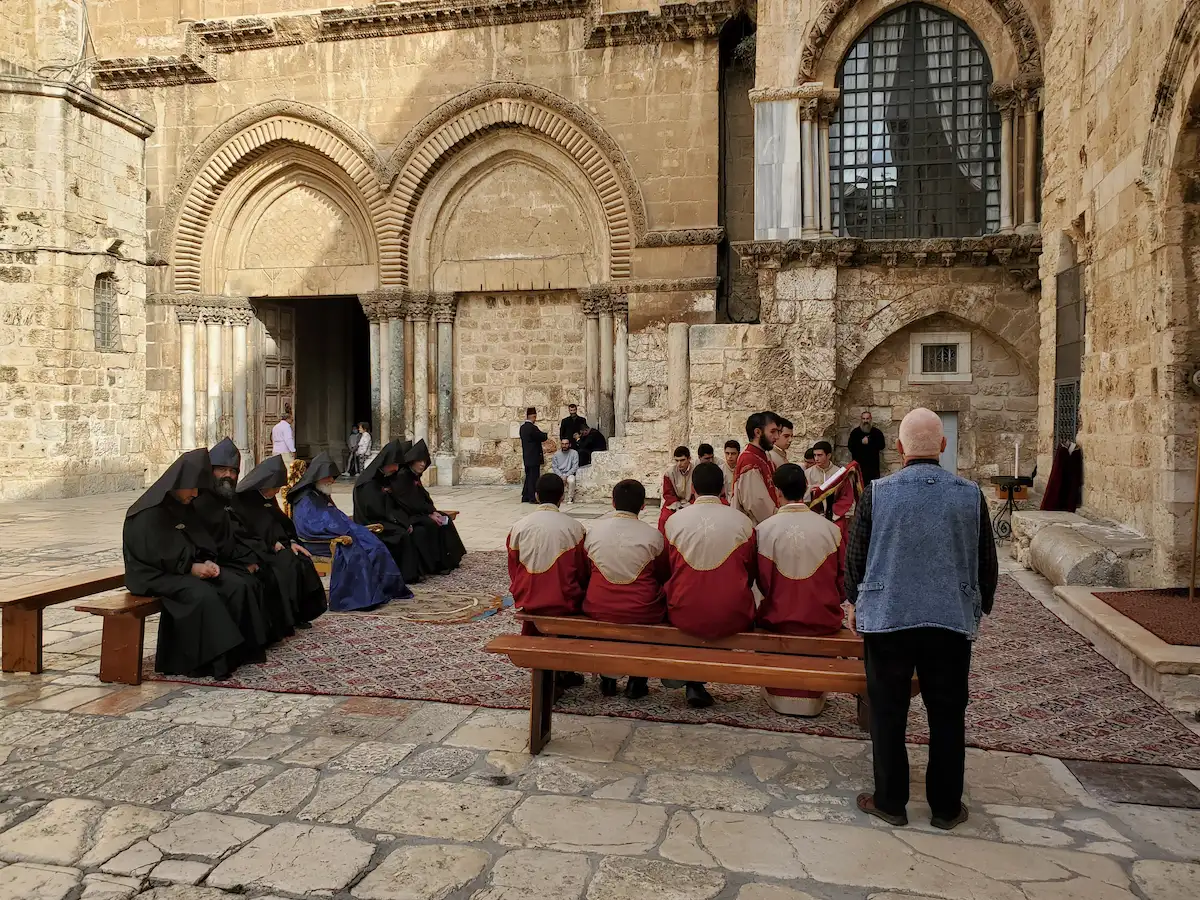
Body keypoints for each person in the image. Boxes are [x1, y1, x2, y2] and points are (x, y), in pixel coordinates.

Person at [847, 408, 997, 832]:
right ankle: (946, 807)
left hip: (888, 616)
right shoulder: (970, 494)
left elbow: (856, 555)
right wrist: (980, 605)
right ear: (943, 446)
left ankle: (891, 801)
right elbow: (987, 559)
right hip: (949, 619)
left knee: (889, 711)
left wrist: (854, 600)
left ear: (898, 447)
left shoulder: (877, 492)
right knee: (948, 713)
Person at [122, 448, 270, 679]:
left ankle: (239, 652)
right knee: (202, 594)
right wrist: (190, 568)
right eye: (192, 487)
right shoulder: (148, 513)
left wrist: (206, 561)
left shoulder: (185, 506)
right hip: (153, 574)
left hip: (183, 569)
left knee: (235, 584)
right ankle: (207, 662)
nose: (195, 493)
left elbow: (200, 539)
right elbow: (154, 554)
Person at [664, 462, 758, 708]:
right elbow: (750, 573)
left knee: (684, 599)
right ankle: (696, 680)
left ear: (693, 488)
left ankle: (691, 678)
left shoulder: (673, 522)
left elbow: (666, 570)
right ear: (723, 488)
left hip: (683, 611)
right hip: (733, 613)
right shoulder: (743, 523)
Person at [755, 463, 845, 717]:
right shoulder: (832, 531)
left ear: (777, 492)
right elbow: (841, 583)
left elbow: (761, 583)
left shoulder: (763, 531)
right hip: (821, 621)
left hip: (778, 620)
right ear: (806, 488)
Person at [200, 438, 303, 640]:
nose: (228, 475)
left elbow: (246, 530)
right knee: (248, 583)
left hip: (239, 555)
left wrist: (257, 554)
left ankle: (271, 633)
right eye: (222, 470)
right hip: (219, 560)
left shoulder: (233, 498)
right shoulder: (202, 501)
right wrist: (245, 561)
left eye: (233, 471)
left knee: (270, 571)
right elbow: (211, 540)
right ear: (210, 470)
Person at [288, 452, 412, 611]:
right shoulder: (304, 497)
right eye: (329, 477)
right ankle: (358, 599)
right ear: (318, 476)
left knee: (376, 546)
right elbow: (309, 525)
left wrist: (348, 527)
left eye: (333, 476)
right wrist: (338, 528)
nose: (332, 480)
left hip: (343, 531)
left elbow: (336, 516)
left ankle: (383, 590)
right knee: (357, 552)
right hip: (321, 541)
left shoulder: (320, 493)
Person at [582, 478, 669, 699]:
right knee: (649, 611)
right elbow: (663, 573)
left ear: (612, 502)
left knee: (610, 618)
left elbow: (587, 569)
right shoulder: (654, 537)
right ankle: (637, 680)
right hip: (642, 608)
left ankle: (608, 679)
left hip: (599, 605)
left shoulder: (594, 533)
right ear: (643, 505)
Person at [233, 454, 327, 629]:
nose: (277, 492)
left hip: (280, 546)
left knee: (303, 562)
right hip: (259, 551)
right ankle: (286, 619)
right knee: (287, 567)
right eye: (275, 488)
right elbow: (245, 531)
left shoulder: (268, 499)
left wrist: (291, 541)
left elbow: (282, 523)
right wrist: (270, 544)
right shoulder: (242, 501)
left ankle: (300, 614)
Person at [390, 439, 467, 576]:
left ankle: (451, 558)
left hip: (418, 512)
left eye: (424, 462)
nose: (422, 464)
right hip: (407, 514)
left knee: (445, 518)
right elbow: (409, 502)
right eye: (419, 461)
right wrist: (429, 513)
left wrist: (433, 511)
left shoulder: (414, 476)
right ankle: (436, 564)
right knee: (432, 524)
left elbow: (424, 497)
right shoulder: (403, 477)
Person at [352, 438, 423, 583]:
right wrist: (399, 523)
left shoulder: (381, 478)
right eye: (395, 464)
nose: (396, 469)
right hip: (371, 524)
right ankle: (403, 575)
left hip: (382, 519)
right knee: (401, 535)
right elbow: (375, 510)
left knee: (410, 528)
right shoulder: (368, 483)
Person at [732, 411, 781, 525]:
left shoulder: (763, 455)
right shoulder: (749, 460)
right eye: (773, 432)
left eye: (778, 432)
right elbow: (756, 502)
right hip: (757, 524)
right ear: (758, 432)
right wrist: (777, 521)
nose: (777, 437)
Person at [657, 445, 693, 533]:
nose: (679, 464)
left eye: (682, 460)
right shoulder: (669, 472)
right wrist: (676, 505)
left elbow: (698, 491)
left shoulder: (696, 470)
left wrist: (689, 504)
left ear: (689, 459)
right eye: (676, 460)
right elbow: (668, 493)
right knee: (663, 519)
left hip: (692, 503)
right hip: (674, 503)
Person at [848, 410, 887, 485]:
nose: (865, 421)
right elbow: (851, 447)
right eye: (863, 419)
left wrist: (870, 442)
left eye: (867, 419)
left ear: (871, 419)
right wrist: (861, 443)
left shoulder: (877, 432)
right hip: (858, 468)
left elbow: (882, 446)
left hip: (873, 469)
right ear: (861, 419)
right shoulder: (855, 433)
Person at [520, 407, 549, 503]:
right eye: (534, 417)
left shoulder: (522, 428)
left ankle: (525, 496)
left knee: (528, 476)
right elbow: (541, 437)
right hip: (534, 456)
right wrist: (546, 434)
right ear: (532, 416)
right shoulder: (532, 428)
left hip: (527, 456)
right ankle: (533, 497)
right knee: (534, 477)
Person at [550, 438, 580, 504]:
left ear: (569, 445)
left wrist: (566, 475)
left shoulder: (574, 453)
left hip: (569, 473)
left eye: (566, 444)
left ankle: (570, 498)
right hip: (559, 473)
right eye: (563, 444)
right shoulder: (556, 454)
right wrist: (561, 475)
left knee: (571, 481)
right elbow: (554, 467)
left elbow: (575, 467)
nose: (564, 445)